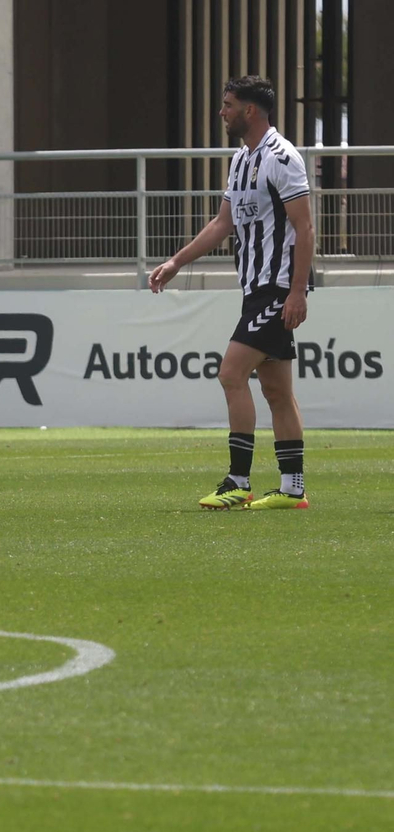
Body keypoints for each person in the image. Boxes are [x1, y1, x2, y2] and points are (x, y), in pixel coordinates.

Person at [149, 75, 313, 511]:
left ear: (250, 111)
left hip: (276, 288)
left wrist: (298, 291)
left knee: (231, 374)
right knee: (277, 391)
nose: (221, 112)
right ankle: (293, 488)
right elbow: (222, 224)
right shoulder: (241, 159)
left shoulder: (283, 157)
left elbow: (305, 227)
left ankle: (238, 481)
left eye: (227, 105)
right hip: (255, 288)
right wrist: (176, 262)